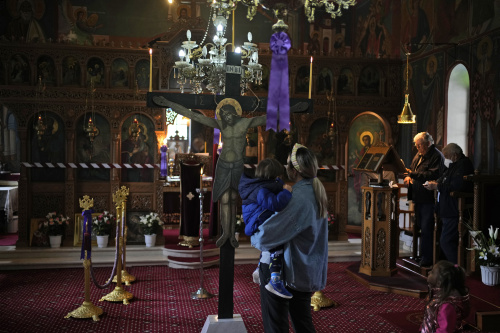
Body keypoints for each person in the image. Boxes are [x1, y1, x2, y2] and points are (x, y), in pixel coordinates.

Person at [153, 95, 266, 248]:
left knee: (233, 199)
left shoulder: (245, 123)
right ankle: (225, 232)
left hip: (237, 165)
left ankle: (231, 233)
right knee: (224, 199)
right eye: (223, 115)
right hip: (224, 165)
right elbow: (192, 115)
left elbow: (266, 118)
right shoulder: (220, 124)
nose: (226, 118)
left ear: (235, 113)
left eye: (228, 115)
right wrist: (168, 103)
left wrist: (289, 109)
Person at [251, 144, 328, 332]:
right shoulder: (316, 191)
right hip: (305, 271)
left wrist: (254, 235)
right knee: (303, 325)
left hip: (286, 272)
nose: (285, 168)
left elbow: (267, 236)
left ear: (295, 170)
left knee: (276, 326)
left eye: (287, 164)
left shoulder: (299, 196)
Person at [239, 158, 293, 298]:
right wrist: (286, 192)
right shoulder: (261, 190)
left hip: (258, 221)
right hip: (259, 222)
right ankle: (275, 281)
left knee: (272, 243)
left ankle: (259, 267)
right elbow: (275, 204)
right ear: (275, 175)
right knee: (277, 244)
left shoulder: (259, 186)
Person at [423, 143, 474, 264]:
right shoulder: (453, 165)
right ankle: (447, 267)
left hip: (454, 210)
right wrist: (435, 183)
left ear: (455, 155)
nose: (444, 158)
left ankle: (456, 269)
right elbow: (443, 179)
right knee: (442, 241)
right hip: (446, 209)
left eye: (446, 156)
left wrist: (437, 186)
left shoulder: (463, 165)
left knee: (446, 241)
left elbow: (457, 185)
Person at [404, 132, 444, 267]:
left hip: (429, 199)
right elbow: (413, 170)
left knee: (427, 228)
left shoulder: (436, 156)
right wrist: (410, 177)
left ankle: (427, 258)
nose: (417, 148)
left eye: (419, 145)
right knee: (420, 226)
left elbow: (432, 174)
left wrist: (412, 174)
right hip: (418, 197)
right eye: (416, 146)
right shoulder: (418, 155)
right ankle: (420, 255)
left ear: (428, 144)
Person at [421, 260, 470, 333]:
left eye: (432, 272)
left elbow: (445, 330)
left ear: (440, 281)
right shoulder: (438, 296)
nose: (429, 272)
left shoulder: (447, 306)